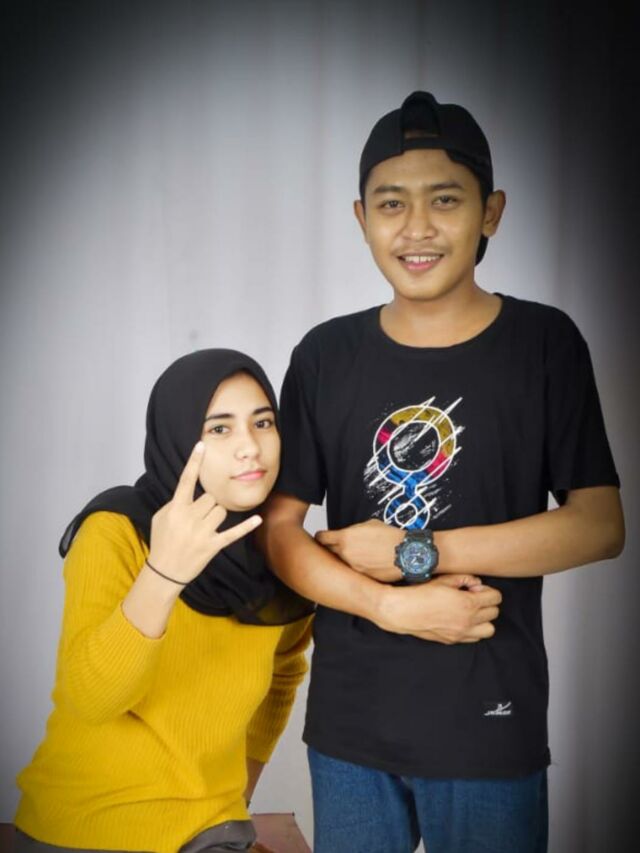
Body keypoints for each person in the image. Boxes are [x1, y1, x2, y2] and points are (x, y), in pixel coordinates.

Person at [261, 92, 624, 853]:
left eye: (445, 200)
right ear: (362, 218)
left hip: (490, 719)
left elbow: (598, 524)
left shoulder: (544, 344)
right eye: (392, 203)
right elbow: (280, 531)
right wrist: (389, 606)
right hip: (351, 725)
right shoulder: (325, 356)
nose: (417, 227)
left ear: (491, 213)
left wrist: (417, 551)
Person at [14, 349, 313, 853]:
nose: (250, 448)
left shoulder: (277, 549)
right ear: (177, 437)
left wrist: (234, 799)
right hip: (89, 826)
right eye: (219, 429)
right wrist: (164, 574)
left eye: (263, 423)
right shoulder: (116, 531)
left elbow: (284, 673)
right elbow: (93, 700)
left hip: (214, 831)